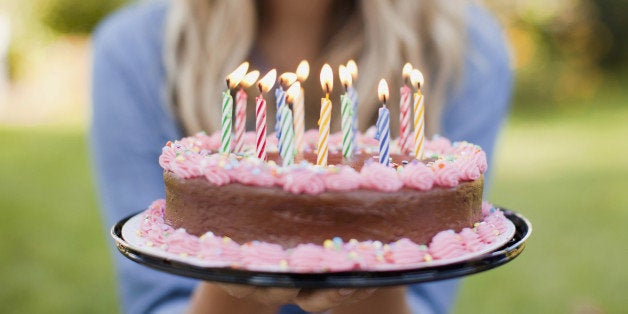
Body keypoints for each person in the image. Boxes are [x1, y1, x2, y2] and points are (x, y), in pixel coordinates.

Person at [90, 0, 512, 313]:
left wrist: (373, 260)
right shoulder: (134, 51)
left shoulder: (467, 49)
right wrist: (241, 264)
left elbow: (428, 299)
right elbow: (155, 299)